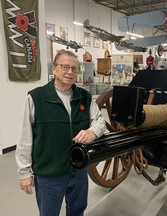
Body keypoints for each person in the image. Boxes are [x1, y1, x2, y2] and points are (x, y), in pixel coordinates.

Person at [15, 49, 106, 216]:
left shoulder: (85, 97)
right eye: (65, 67)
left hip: (79, 170)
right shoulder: (36, 98)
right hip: (49, 174)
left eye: (74, 68)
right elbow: (25, 138)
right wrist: (24, 172)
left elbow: (99, 121)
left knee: (78, 211)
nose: (70, 72)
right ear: (54, 69)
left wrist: (93, 132)